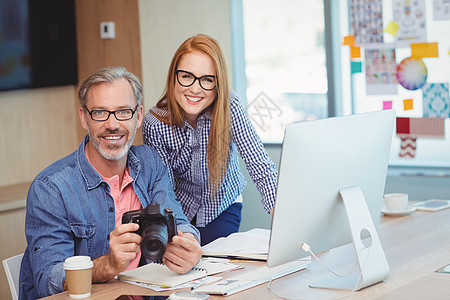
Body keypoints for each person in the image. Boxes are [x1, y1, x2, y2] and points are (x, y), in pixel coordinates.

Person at [18, 67, 202, 299]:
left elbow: (178, 220)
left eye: (123, 111)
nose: (112, 124)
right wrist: (107, 265)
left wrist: (189, 244)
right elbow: (47, 280)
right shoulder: (51, 188)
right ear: (84, 118)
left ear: (138, 115)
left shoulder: (150, 164)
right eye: (100, 113)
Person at [143, 34, 278, 246]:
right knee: (187, 267)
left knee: (216, 263)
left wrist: (282, 216)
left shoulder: (229, 105)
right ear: (173, 76)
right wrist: (183, 232)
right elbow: (165, 190)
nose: (195, 89)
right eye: (186, 76)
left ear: (217, 84)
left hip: (222, 206)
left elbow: (259, 164)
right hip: (181, 210)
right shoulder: (155, 123)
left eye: (207, 80)